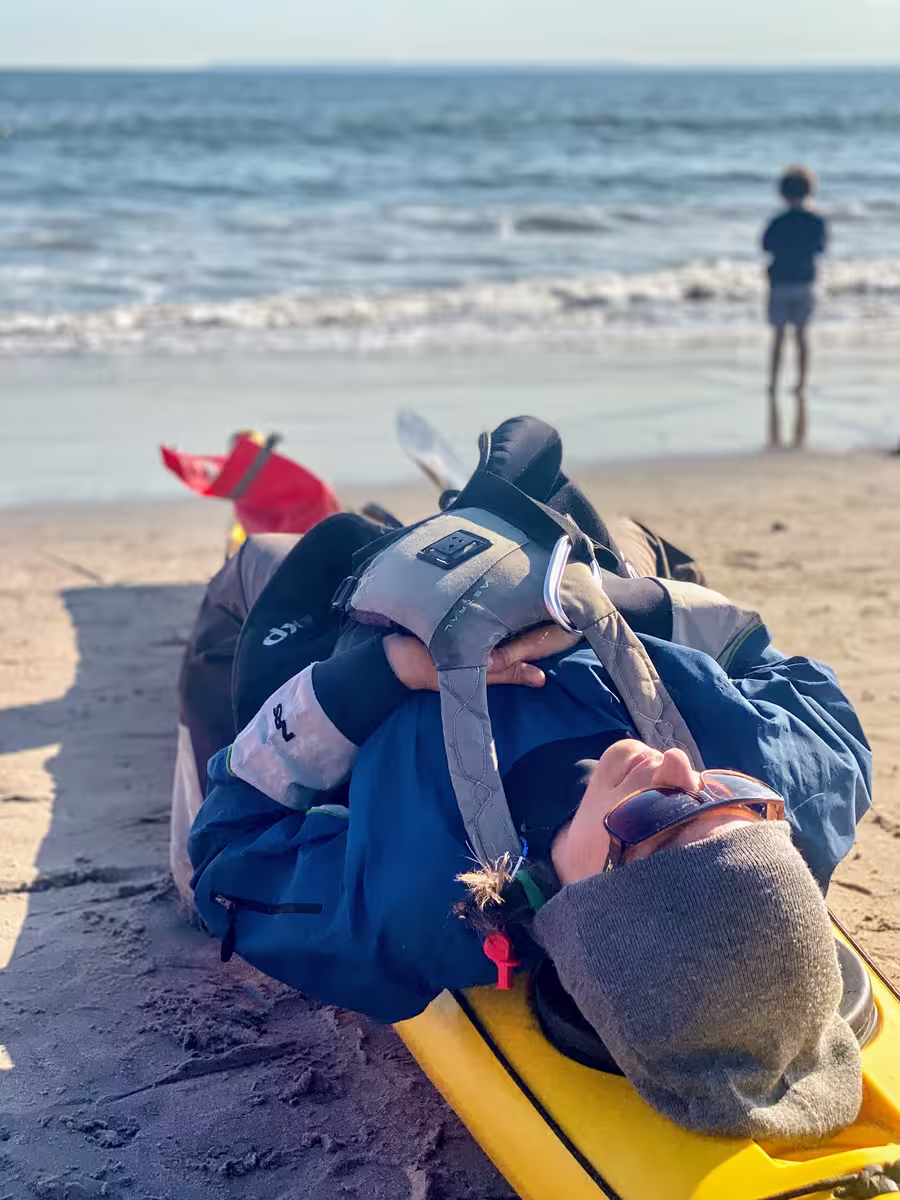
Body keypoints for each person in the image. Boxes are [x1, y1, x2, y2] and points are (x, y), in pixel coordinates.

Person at [183, 418, 870, 1145]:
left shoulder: (417, 900)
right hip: (563, 579)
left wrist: (381, 673)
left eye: (658, 822)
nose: (676, 768)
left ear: (580, 896)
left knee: (263, 557)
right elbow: (805, 690)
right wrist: (615, 605)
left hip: (352, 626)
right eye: (722, 796)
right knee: (642, 547)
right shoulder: (781, 785)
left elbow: (226, 852)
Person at [762, 165, 828, 450]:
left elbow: (765, 246)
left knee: (778, 336)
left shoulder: (777, 221)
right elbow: (820, 249)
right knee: (802, 336)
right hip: (804, 282)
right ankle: (800, 382)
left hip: (780, 282)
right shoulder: (816, 221)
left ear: (782, 193)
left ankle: (774, 382)